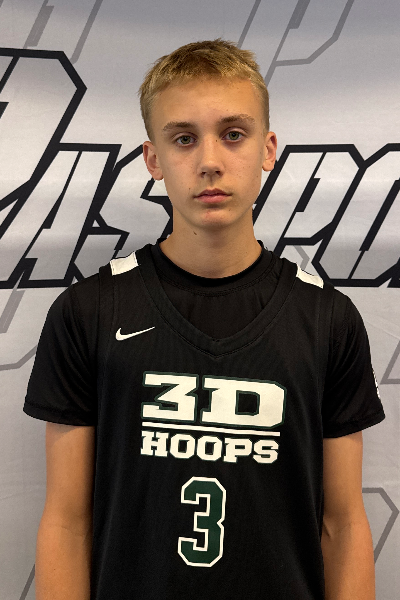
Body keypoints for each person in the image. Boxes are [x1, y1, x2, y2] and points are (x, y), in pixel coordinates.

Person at [24, 39, 385, 600]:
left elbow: (342, 525)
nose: (210, 161)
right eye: (184, 138)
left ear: (267, 149)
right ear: (153, 159)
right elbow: (68, 524)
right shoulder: (88, 312)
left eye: (233, 134)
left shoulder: (327, 319)